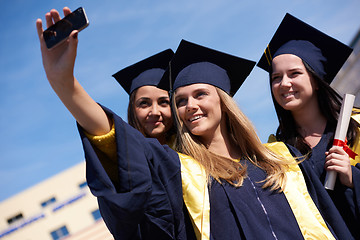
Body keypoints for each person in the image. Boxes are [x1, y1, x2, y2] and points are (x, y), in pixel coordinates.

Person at [37, 8, 338, 240]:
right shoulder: (183, 173)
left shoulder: (283, 159)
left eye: (200, 94)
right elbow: (122, 145)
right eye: (180, 100)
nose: (190, 106)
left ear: (224, 101)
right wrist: (65, 84)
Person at [257, 13, 360, 239]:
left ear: (315, 79)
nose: (284, 84)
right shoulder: (276, 150)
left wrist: (352, 177)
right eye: (276, 77)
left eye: (294, 74)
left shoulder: (356, 128)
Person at [112, 49, 175, 145]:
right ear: (132, 109)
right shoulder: (125, 150)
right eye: (144, 103)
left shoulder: (192, 150)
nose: (155, 112)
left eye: (164, 102)